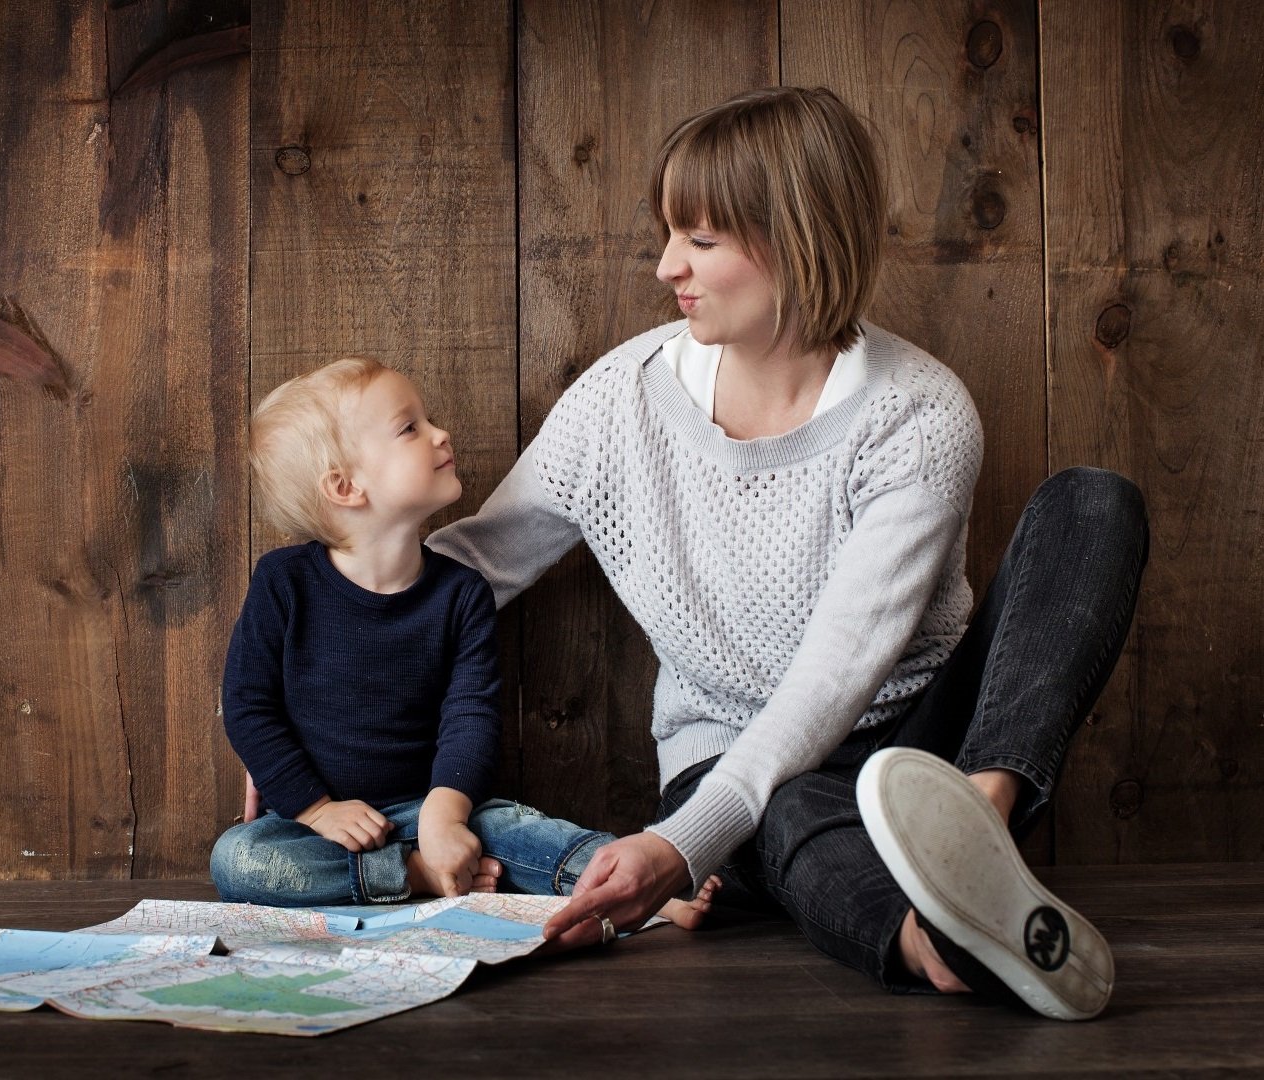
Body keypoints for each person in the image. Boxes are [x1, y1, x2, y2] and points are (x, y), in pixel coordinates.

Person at [427, 86, 1147, 1020]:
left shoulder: (917, 416)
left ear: (794, 237)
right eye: (670, 234)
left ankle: (974, 832)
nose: (665, 266)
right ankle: (936, 938)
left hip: (926, 742)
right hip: (732, 764)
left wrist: (682, 851)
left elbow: (836, 675)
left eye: (701, 239)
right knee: (793, 805)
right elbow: (473, 566)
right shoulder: (621, 402)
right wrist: (307, 667)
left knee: (1093, 504)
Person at [210, 356, 716, 930]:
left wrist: (446, 816)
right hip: (321, 825)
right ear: (345, 487)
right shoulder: (284, 583)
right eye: (410, 428)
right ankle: (416, 877)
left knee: (521, 830)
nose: (439, 433)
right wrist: (315, 808)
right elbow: (249, 707)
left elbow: (470, 715)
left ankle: (640, 884)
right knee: (240, 859)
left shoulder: (460, 593)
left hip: (434, 804)